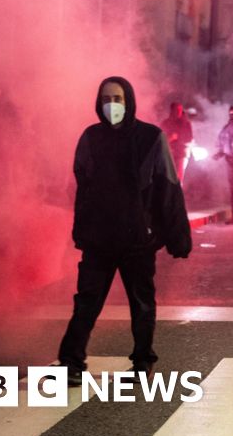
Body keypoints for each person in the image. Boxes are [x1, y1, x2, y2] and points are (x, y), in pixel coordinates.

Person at [57, 76, 191, 385]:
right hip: (99, 239)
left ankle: (143, 362)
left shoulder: (151, 137)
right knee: (86, 302)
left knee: (141, 303)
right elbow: (81, 190)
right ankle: (71, 362)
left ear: (128, 101)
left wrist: (177, 236)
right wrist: (81, 231)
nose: (111, 105)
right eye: (106, 99)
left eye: (117, 99)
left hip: (137, 240)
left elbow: (168, 189)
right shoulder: (91, 137)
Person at [160, 102, 193, 182]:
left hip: (181, 154)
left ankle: (177, 189)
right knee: (167, 176)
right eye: (177, 110)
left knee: (178, 177)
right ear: (172, 110)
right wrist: (170, 138)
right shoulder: (165, 123)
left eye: (180, 110)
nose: (179, 112)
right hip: (168, 153)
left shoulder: (186, 124)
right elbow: (160, 139)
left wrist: (179, 139)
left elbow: (189, 138)